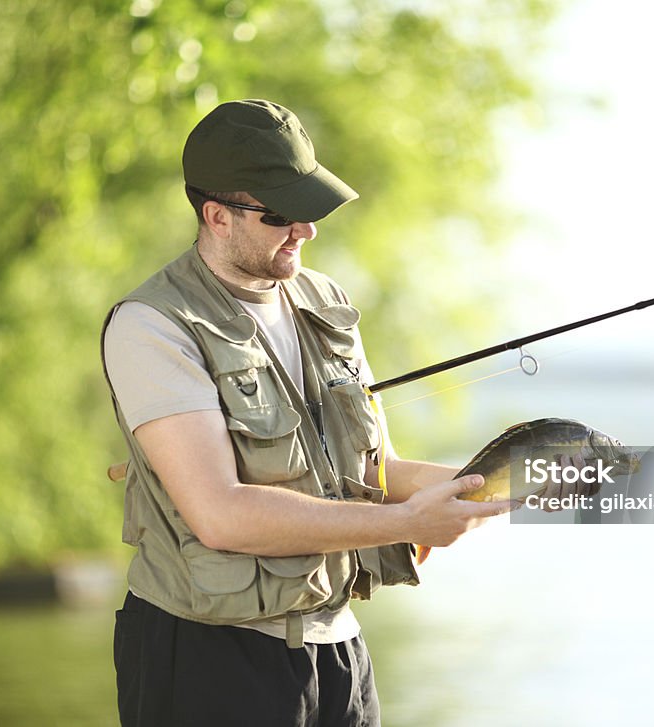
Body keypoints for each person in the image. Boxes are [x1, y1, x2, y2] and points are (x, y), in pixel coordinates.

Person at [100, 99, 514, 726]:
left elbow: (377, 470)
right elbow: (221, 516)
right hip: (208, 655)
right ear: (217, 215)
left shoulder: (326, 299)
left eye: (311, 209)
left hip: (338, 651)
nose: (306, 230)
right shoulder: (152, 326)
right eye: (282, 214)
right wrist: (407, 522)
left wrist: (506, 485)